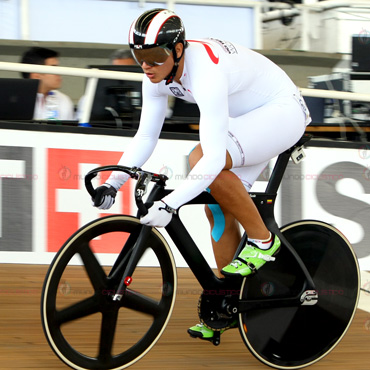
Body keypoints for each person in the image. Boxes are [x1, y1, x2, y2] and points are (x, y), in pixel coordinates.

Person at [92, 8, 311, 340]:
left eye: (153, 56)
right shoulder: (156, 74)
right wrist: (113, 182)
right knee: (217, 207)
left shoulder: (204, 70)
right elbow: (146, 137)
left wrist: (171, 205)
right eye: (140, 57)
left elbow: (208, 159)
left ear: (178, 50)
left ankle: (263, 241)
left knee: (202, 159)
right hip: (247, 119)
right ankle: (225, 304)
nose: (146, 66)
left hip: (281, 111)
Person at [20, 47, 74, 120]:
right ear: (36, 75)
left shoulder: (63, 100)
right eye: (54, 68)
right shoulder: (16, 99)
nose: (59, 73)